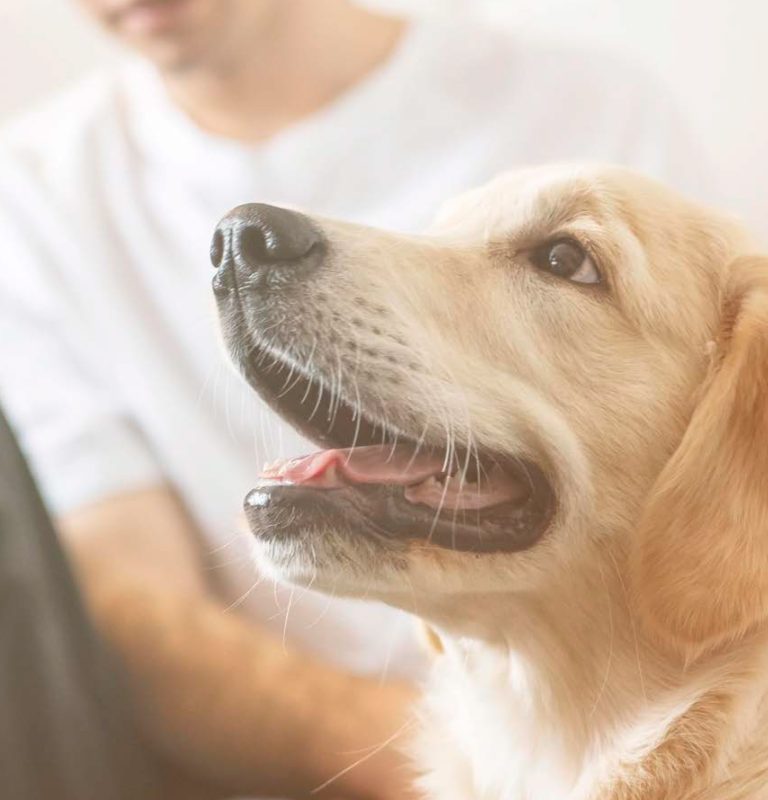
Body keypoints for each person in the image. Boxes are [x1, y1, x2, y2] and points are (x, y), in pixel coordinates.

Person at [0, 0, 711, 796]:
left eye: (559, 259)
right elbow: (125, 603)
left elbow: (720, 562)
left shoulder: (596, 107)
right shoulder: (33, 196)